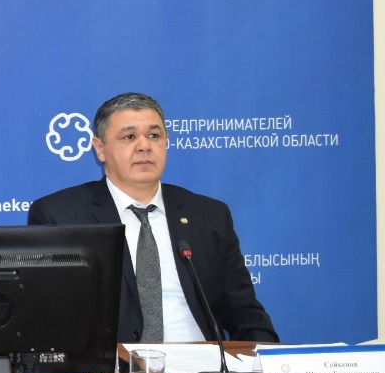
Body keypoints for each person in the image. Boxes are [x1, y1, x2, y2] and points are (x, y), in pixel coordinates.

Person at [28, 92, 278, 343]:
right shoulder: (60, 216)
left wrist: (272, 360)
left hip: (203, 360)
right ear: (100, 148)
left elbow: (245, 314)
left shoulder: (209, 215)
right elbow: (49, 317)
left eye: (154, 136)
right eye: (129, 137)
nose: (144, 146)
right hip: (114, 363)